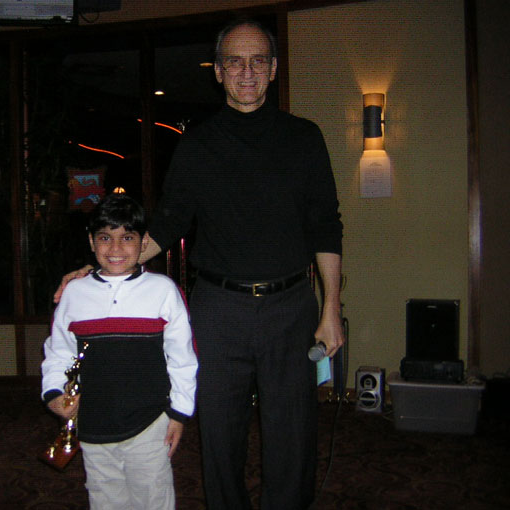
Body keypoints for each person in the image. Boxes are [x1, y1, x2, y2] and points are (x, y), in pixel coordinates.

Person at [56, 19, 343, 510]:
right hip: (218, 311)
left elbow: (326, 226)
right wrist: (106, 264)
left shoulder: (304, 138)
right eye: (235, 61)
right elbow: (168, 223)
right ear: (219, 72)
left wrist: (331, 306)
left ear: (274, 69)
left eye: (258, 61)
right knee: (220, 435)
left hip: (291, 307)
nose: (247, 72)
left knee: (293, 437)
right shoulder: (197, 144)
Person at [42, 193, 198, 510]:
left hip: (149, 421)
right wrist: (53, 391)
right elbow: (58, 351)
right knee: (105, 499)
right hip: (93, 422)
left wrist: (180, 413)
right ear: (91, 241)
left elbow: (182, 358)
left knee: (152, 498)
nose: (115, 249)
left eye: (127, 238)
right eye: (105, 238)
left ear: (144, 242)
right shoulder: (74, 293)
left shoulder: (163, 291)